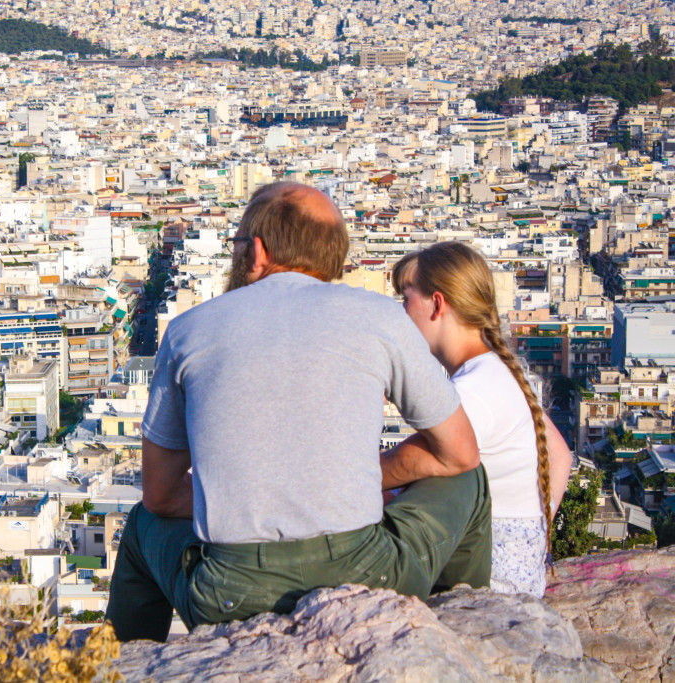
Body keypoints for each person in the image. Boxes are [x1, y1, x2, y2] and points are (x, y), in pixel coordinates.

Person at [105, 181, 492, 643]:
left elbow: (161, 496)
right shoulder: (379, 318)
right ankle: (453, 639)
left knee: (143, 524)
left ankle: (124, 665)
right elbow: (461, 456)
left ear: (260, 251)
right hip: (366, 575)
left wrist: (235, 501)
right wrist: (363, 483)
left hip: (230, 595)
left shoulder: (188, 330)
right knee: (471, 481)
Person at [391, 242, 573, 597]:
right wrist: (528, 539)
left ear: (437, 304)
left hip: (486, 579)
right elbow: (561, 457)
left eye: (407, 297)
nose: (402, 311)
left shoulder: (475, 388)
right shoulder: (500, 370)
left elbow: (413, 462)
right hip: (520, 573)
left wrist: (362, 477)